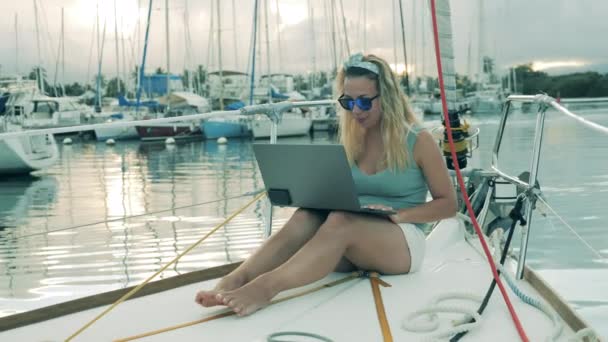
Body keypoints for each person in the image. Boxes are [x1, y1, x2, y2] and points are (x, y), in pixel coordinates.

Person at [195, 53, 457, 316]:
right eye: (348, 101)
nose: (355, 110)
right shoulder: (351, 140)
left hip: (402, 243)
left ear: (387, 98)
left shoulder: (419, 140)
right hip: (353, 237)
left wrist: (399, 216)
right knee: (306, 215)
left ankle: (265, 288)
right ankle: (236, 279)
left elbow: (448, 205)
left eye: (364, 102)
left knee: (341, 221)